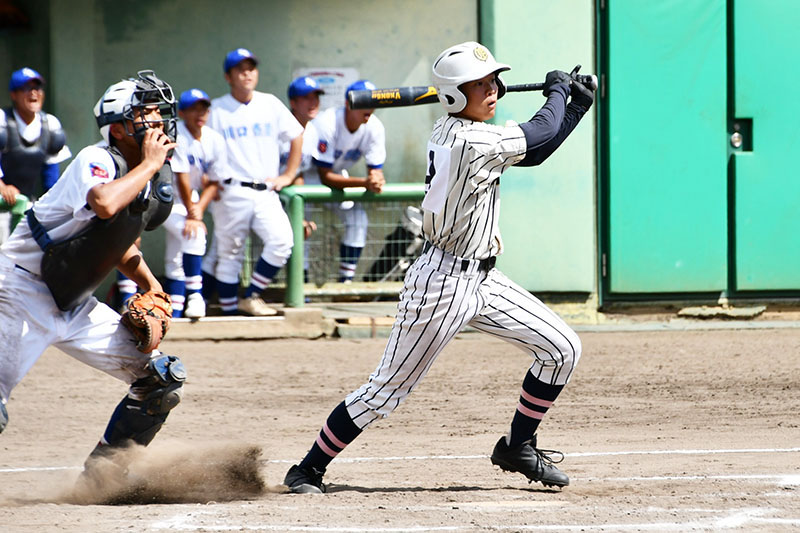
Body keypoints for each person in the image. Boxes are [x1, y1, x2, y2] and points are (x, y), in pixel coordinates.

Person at [283, 41, 594, 494]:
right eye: (480, 85)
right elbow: (538, 134)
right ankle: (307, 469)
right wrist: (558, 93)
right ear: (452, 95)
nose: (493, 90)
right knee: (385, 392)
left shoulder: (469, 133)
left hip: (484, 278)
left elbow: (539, 148)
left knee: (562, 348)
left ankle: (517, 446)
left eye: (493, 81)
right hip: (442, 284)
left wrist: (574, 105)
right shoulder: (470, 140)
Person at [0, 70, 187, 481]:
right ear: (118, 129)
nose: (158, 124)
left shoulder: (148, 174)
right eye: (146, 116)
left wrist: (152, 286)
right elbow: (104, 204)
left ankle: (102, 477)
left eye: (159, 115)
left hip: (73, 296)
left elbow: (114, 239)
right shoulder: (97, 158)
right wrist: (151, 164)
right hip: (19, 289)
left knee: (160, 380)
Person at [208, 48, 303, 316]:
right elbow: (203, 147)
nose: (247, 73)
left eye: (251, 68)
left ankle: (250, 296)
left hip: (265, 189)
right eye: (241, 69)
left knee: (282, 241)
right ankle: (228, 314)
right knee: (230, 255)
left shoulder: (270, 103)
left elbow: (297, 135)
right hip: (230, 189)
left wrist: (288, 175)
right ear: (229, 76)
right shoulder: (216, 109)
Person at [312, 79, 386, 282]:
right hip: (308, 176)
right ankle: (302, 282)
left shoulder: (374, 127)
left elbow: (375, 169)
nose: (370, 108)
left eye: (373, 102)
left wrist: (376, 178)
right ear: (348, 103)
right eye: (364, 101)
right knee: (303, 227)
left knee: (357, 219)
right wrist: (365, 183)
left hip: (339, 175)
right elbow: (324, 175)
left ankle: (345, 283)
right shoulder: (327, 122)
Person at [162, 88, 227, 318]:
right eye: (193, 108)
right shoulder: (177, 134)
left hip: (191, 199)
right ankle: (195, 295)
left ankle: (176, 310)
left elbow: (215, 181)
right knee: (194, 235)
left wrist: (198, 209)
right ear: (181, 112)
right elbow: (181, 177)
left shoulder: (215, 139)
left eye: (203, 108)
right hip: (166, 200)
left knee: (175, 256)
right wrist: (193, 214)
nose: (200, 113)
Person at [0, 67, 72, 242]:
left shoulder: (50, 124)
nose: (33, 93)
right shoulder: (2, 119)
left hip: (26, 202)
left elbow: (51, 177)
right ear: (14, 94)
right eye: (26, 88)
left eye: (37, 88)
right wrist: (2, 187)